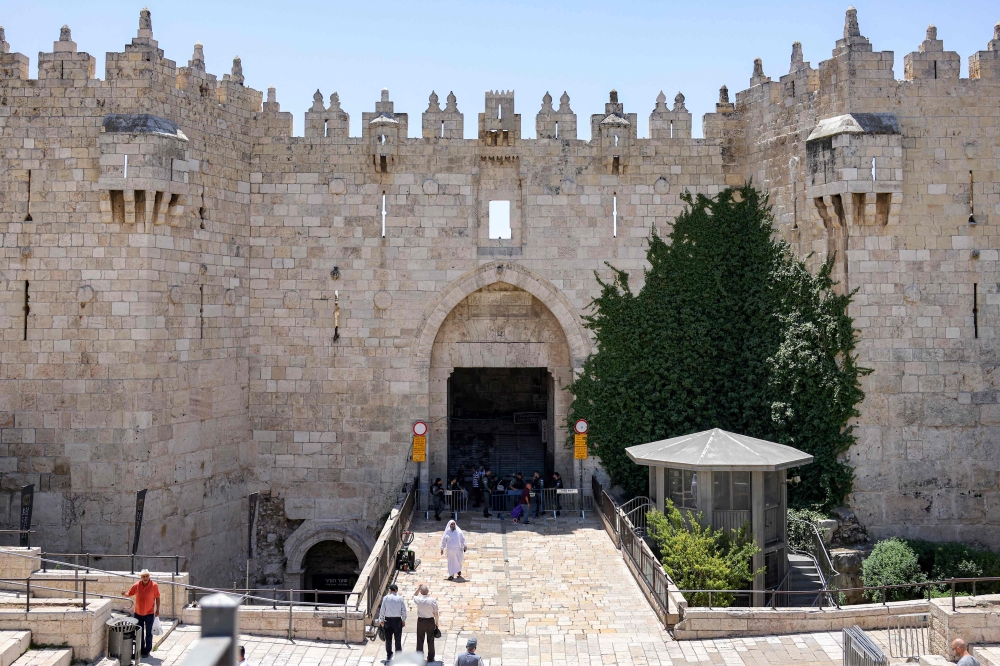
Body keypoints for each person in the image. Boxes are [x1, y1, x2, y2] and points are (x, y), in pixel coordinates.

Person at [121, 569, 161, 658]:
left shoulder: (154, 585)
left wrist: (157, 610)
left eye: (147, 576)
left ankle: (147, 650)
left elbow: (157, 598)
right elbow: (129, 593)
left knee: (149, 633)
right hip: (138, 613)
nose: (145, 578)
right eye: (143, 576)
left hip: (149, 613)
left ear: (149, 576)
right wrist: (124, 594)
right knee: (139, 633)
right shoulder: (137, 585)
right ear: (141, 577)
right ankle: (141, 649)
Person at [377, 582, 406, 662]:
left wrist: (381, 620)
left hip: (388, 621)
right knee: (398, 639)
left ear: (390, 590)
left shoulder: (386, 598)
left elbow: (382, 610)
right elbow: (403, 610)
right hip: (397, 621)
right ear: (396, 590)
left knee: (388, 639)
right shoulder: (400, 598)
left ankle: (389, 654)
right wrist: (403, 620)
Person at [412, 584, 440, 663]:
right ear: (427, 591)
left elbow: (414, 595)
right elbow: (436, 613)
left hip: (421, 621)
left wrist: (418, 588)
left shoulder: (418, 600)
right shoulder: (432, 600)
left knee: (420, 639)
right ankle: (431, 657)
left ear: (421, 592)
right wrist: (437, 623)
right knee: (430, 639)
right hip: (430, 621)